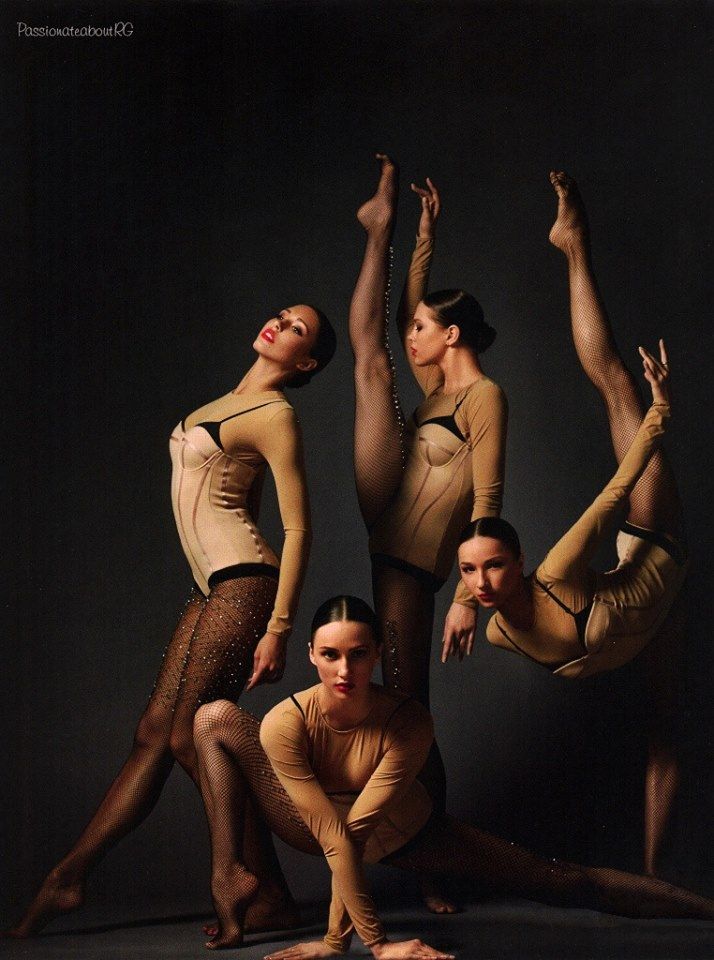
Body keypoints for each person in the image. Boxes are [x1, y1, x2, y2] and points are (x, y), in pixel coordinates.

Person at [9, 302, 336, 938]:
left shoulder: (275, 414)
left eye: (296, 329)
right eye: (281, 315)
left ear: (306, 363)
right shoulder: (224, 402)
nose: (279, 324)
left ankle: (240, 879)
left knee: (191, 735)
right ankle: (70, 878)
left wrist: (280, 626)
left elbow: (296, 528)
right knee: (154, 732)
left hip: (245, 587)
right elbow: (247, 499)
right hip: (213, 589)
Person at [193, 595, 714, 955]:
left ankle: (705, 907)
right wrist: (363, 944)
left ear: (378, 654)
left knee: (560, 878)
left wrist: (353, 942)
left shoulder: (409, 721)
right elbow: (331, 833)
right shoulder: (285, 722)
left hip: (406, 833)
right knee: (212, 717)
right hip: (318, 826)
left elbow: (356, 832)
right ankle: (230, 876)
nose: (344, 671)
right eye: (329, 656)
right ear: (311, 655)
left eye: (358, 655)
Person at [457, 171, 687, 875]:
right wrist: (463, 604)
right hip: (642, 626)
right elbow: (481, 571)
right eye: (470, 575)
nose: (483, 583)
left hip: (653, 551)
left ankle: (573, 246)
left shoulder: (554, 571)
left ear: (521, 564)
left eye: (494, 568)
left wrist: (656, 419)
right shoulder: (493, 629)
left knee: (615, 382)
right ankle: (656, 887)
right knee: (667, 735)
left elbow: (616, 491)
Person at [347, 156, 507, 896]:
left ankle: (437, 856)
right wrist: (424, 234)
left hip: (413, 567)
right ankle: (376, 230)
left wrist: (472, 598)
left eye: (421, 328)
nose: (414, 333)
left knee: (410, 711)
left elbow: (488, 499)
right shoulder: (438, 388)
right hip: (388, 541)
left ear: (449, 335)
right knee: (372, 362)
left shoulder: (483, 397)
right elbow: (414, 298)